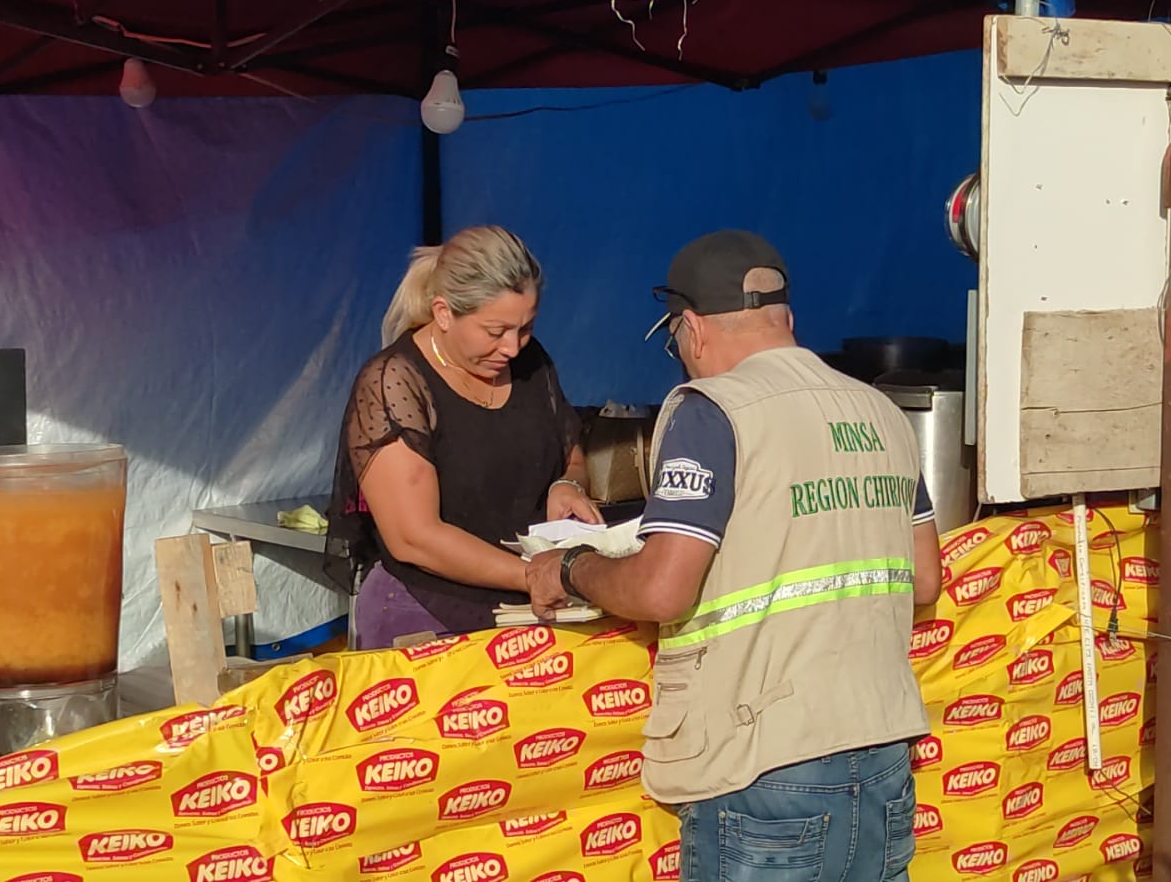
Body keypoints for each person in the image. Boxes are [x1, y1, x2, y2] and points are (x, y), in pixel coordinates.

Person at [525, 230, 942, 882]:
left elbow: (662, 589)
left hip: (763, 765)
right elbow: (924, 579)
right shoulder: (881, 411)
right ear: (786, 319)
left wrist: (572, 567)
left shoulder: (712, 411)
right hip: (882, 754)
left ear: (690, 328)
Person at [325, 225, 602, 648]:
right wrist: (533, 575)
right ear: (443, 313)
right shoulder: (393, 382)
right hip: (425, 618)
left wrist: (567, 485)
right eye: (495, 331)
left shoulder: (531, 363)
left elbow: (571, 456)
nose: (512, 347)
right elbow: (414, 538)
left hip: (525, 613)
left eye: (525, 328)